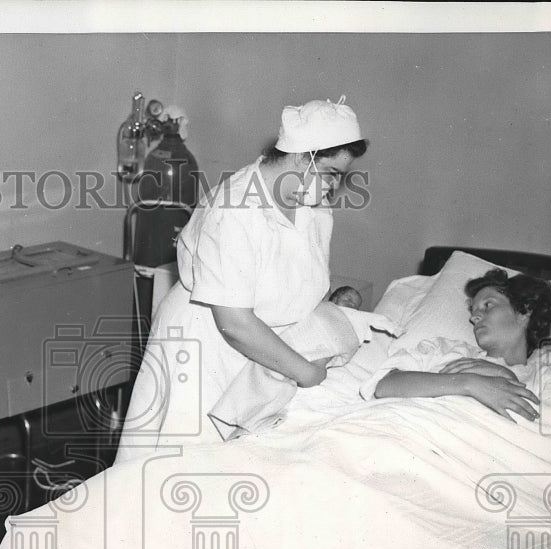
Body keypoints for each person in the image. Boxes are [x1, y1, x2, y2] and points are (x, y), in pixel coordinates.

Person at [115, 97, 368, 463]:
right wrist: (306, 373)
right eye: (331, 173)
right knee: (178, 476)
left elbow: (300, 285)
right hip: (203, 352)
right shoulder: (234, 208)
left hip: (262, 356)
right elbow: (234, 323)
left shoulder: (313, 206)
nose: (334, 186)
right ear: (301, 157)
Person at [369, 268, 551, 421]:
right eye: (474, 310)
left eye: (488, 305)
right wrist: (468, 383)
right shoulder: (447, 349)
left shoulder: (543, 377)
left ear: (524, 311)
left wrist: (507, 377)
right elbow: (384, 386)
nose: (475, 317)